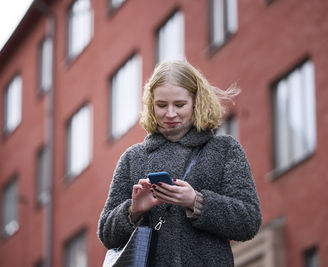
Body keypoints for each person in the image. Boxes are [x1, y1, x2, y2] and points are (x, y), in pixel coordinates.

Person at [98, 60, 262, 266]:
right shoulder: (133, 158)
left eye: (179, 104)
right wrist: (134, 211)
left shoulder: (224, 149)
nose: (170, 113)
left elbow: (249, 220)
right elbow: (106, 233)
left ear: (196, 102)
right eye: (161, 105)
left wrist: (196, 202)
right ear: (151, 105)